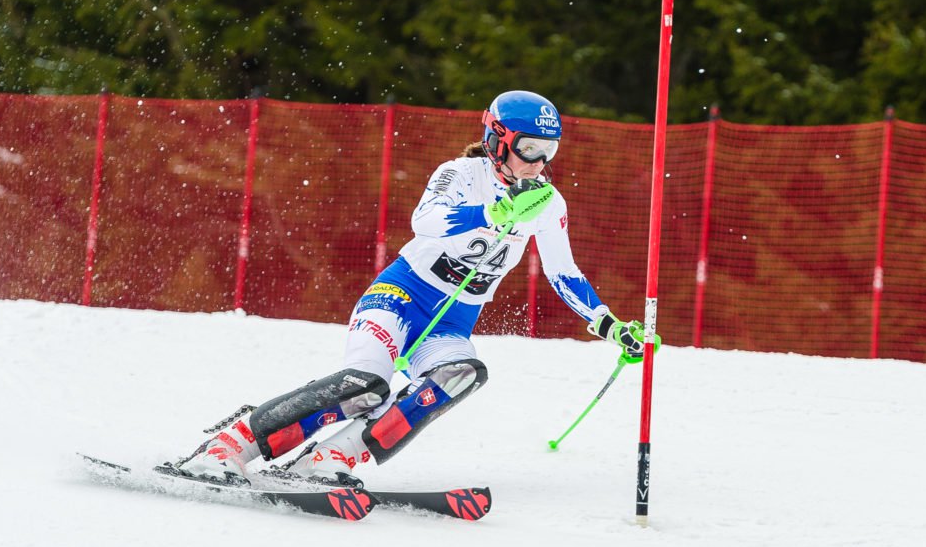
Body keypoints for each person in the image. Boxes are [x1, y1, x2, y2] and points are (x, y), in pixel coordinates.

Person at [175, 90, 651, 487]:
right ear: (498, 140)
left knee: (462, 373)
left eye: (549, 151)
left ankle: (331, 459)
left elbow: (563, 272)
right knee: (366, 386)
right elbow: (424, 221)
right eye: (529, 148)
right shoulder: (461, 174)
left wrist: (608, 325)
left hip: (452, 322)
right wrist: (493, 214)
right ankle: (230, 444)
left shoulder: (548, 203)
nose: (539, 163)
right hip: (400, 299)